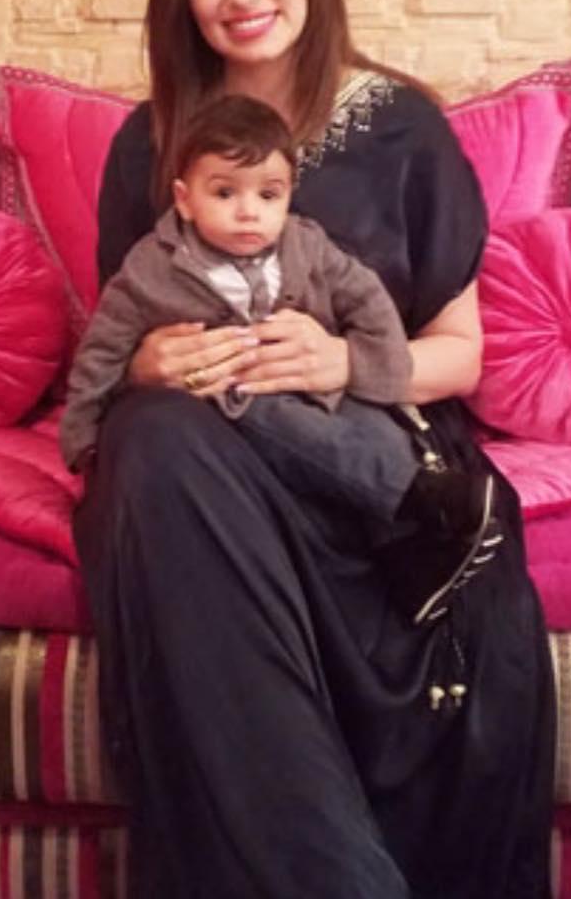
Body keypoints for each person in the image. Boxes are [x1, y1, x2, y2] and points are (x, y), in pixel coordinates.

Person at [72, 0, 555, 899]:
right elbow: (114, 345)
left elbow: (461, 354)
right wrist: (150, 361)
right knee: (155, 439)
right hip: (204, 479)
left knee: (165, 454)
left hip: (363, 465)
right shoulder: (148, 146)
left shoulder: (403, 130)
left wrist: (343, 360)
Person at [61, 92, 502, 626]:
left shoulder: (307, 245)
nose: (249, 211)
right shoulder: (150, 269)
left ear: (288, 197)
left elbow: (366, 298)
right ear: (185, 199)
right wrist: (83, 438)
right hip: (233, 406)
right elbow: (103, 349)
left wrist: (368, 363)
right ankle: (422, 502)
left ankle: (413, 551)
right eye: (224, 192)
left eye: (268, 195)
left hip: (318, 386)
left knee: (364, 428)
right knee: (288, 427)